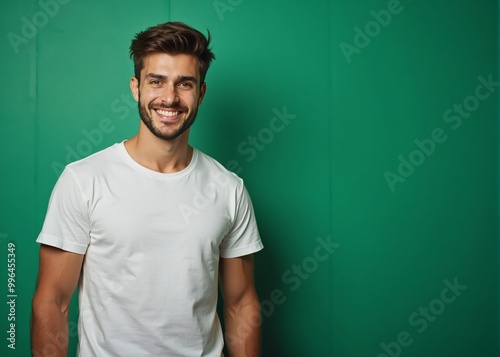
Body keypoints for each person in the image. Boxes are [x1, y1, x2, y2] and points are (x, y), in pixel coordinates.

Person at [31, 21, 263, 357]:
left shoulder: (229, 189)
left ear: (201, 92)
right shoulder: (84, 180)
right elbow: (52, 302)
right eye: (157, 81)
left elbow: (241, 304)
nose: (170, 97)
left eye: (185, 84)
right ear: (136, 87)